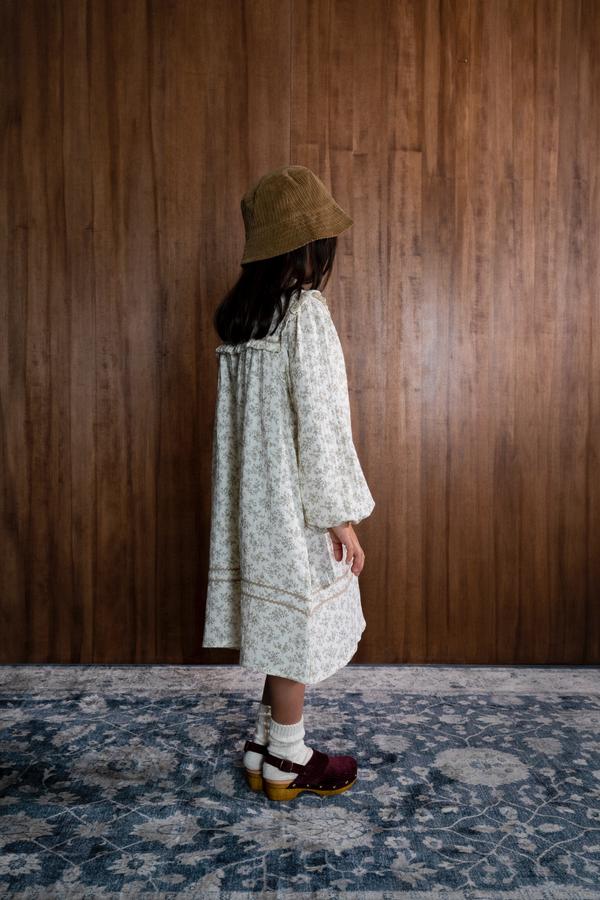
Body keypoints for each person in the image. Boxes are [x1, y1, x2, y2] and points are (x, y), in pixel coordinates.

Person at [202, 164, 376, 801]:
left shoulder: (244, 323)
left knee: (276, 624)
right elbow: (322, 424)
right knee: (295, 632)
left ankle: (263, 741)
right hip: (293, 504)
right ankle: (288, 758)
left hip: (252, 507)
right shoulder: (304, 314)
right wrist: (341, 516)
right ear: (310, 247)